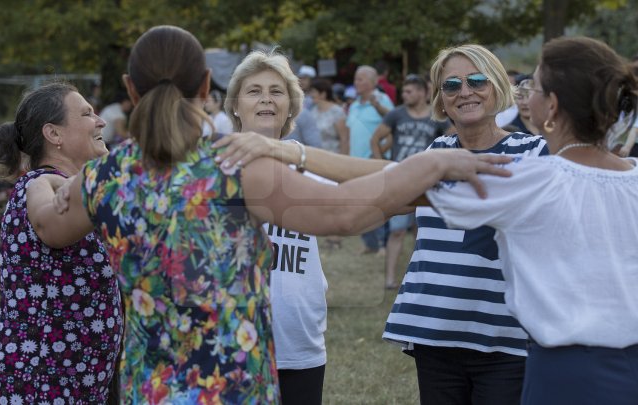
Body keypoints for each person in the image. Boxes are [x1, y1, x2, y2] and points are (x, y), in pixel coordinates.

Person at [34, 26, 512, 404]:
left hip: (149, 388)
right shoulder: (236, 167)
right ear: (207, 86)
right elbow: (345, 213)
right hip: (237, 384)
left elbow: (49, 229)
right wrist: (431, 166)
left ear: (129, 90)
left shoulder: (105, 177)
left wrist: (47, 181)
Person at [214, 44, 547, 405]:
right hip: (435, 334)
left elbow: (373, 188)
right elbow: (385, 181)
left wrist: (295, 154)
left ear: (497, 85)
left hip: (503, 339)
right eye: (451, 85)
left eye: (476, 80)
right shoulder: (436, 154)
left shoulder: (531, 153)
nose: (464, 91)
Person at [426, 36, 638, 405]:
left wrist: (298, 154)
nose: (526, 95)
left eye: (534, 87)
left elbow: (379, 193)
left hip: (564, 370)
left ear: (551, 105)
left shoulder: (533, 174)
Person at [0, 82, 123, 404]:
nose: (101, 121)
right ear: (54, 134)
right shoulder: (41, 183)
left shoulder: (83, 190)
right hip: (40, 381)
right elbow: (48, 223)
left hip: (76, 381)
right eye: (87, 114)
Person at [223, 48, 333, 405]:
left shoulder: (311, 164)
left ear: (291, 106)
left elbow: (359, 203)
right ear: (236, 105)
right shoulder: (211, 166)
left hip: (298, 339)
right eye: (254, 90)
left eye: (277, 91)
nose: (267, 99)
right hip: (228, 338)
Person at [370, 73, 450, 289]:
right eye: (403, 91)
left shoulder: (437, 118)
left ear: (423, 92)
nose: (404, 95)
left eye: (409, 91)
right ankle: (389, 279)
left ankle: (422, 277)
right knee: (396, 231)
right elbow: (376, 139)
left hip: (429, 183)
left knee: (423, 232)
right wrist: (383, 167)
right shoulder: (396, 115)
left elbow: (454, 143)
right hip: (401, 182)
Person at [347, 65, 394, 255]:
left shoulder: (383, 100)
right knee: (360, 206)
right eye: (356, 79)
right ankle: (369, 244)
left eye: (361, 79)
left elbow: (392, 128)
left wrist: (378, 155)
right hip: (354, 164)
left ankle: (382, 244)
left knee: (379, 205)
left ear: (373, 82)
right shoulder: (354, 104)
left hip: (374, 163)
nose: (356, 82)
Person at [309, 78, 349, 154]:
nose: (311, 95)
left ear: (323, 94)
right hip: (316, 158)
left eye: (313, 92)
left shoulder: (337, 112)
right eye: (310, 92)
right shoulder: (312, 111)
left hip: (334, 157)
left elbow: (344, 139)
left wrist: (344, 161)